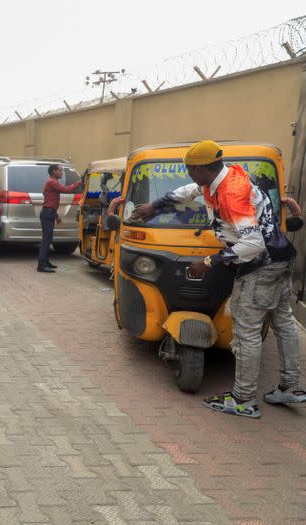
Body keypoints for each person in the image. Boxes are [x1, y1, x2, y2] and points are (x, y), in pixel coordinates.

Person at [130, 140, 305, 418]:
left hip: (262, 264)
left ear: (202, 169)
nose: (189, 174)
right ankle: (292, 386)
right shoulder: (221, 178)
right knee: (282, 321)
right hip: (283, 257)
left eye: (190, 169)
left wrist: (209, 262)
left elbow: (253, 244)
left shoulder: (231, 194)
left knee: (246, 330)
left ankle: (243, 399)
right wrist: (155, 205)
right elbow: (190, 191)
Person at [37, 164, 83, 272]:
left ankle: (45, 261)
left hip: (49, 212)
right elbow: (66, 190)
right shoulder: (52, 182)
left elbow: (50, 200)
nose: (62, 172)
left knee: (48, 239)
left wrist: (56, 215)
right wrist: (79, 182)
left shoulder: (52, 182)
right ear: (53, 172)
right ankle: (41, 265)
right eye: (60, 170)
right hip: (48, 212)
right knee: (46, 240)